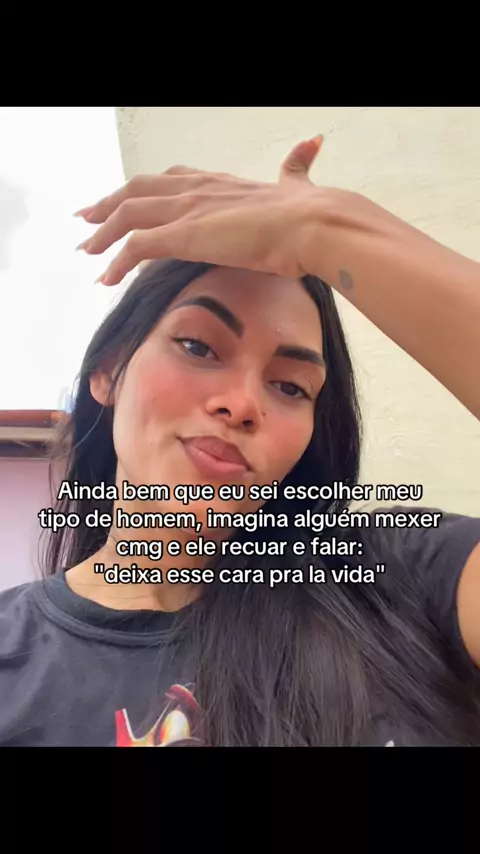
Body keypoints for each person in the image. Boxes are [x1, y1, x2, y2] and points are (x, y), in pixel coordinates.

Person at [0, 136, 479, 747]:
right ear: (109, 372)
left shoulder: (401, 579)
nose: (244, 403)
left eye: (290, 386)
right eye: (198, 346)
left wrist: (330, 229)